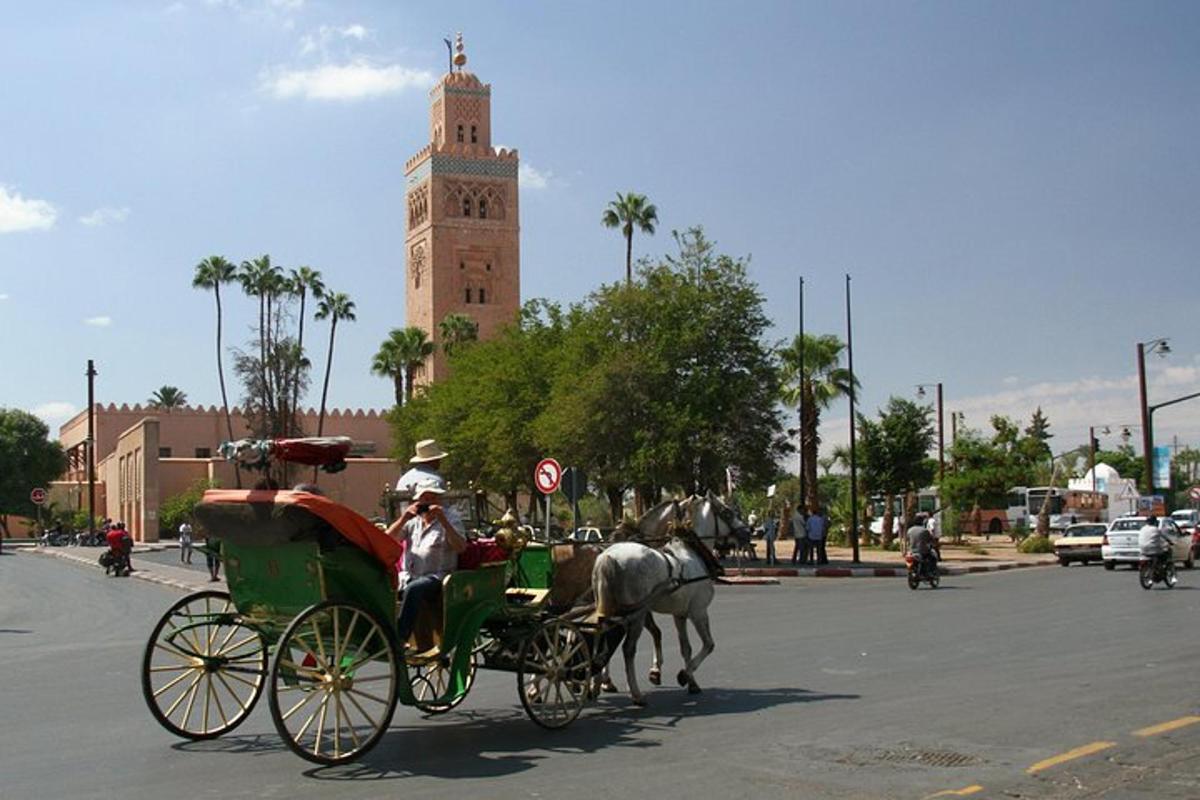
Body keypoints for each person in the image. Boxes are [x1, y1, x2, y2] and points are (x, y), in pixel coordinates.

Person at [387, 480, 467, 648]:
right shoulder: (412, 521)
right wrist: (403, 518)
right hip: (409, 576)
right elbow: (386, 540)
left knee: (414, 588)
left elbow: (460, 547)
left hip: (437, 578)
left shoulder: (452, 519)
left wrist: (443, 521)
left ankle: (400, 638)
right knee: (384, 583)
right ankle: (384, 631)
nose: (429, 502)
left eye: (433, 498)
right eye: (425, 499)